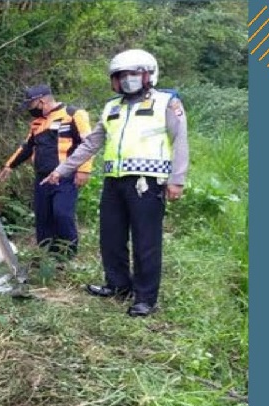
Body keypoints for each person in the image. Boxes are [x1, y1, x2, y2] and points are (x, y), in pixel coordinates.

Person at [41, 49, 189, 317]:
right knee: (111, 236)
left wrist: (177, 180)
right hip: (114, 183)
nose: (127, 80)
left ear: (147, 75)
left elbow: (180, 141)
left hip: (148, 182)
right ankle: (118, 285)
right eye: (121, 76)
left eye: (133, 74)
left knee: (146, 241)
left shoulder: (167, 102)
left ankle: (145, 298)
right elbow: (91, 144)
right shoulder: (112, 107)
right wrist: (62, 170)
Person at [0, 84, 92, 259]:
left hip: (65, 176)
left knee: (61, 213)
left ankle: (68, 254)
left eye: (30, 106)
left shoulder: (73, 115)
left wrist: (84, 170)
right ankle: (48, 255)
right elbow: (27, 147)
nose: (29, 111)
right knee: (43, 217)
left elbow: (88, 144)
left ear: (41, 101)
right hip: (42, 178)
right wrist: (9, 166)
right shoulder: (37, 123)